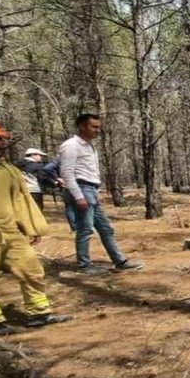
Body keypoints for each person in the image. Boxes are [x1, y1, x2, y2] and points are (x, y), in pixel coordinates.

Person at [0, 119, 72, 335]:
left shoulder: (8, 170)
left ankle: (39, 313)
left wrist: (30, 226)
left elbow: (21, 200)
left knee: (32, 270)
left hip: (11, 234)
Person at [58, 113, 143, 275]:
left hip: (90, 190)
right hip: (81, 189)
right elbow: (66, 173)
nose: (98, 130)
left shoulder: (89, 146)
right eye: (94, 127)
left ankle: (120, 261)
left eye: (99, 127)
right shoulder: (71, 145)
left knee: (106, 229)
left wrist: (95, 192)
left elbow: (90, 171)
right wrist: (79, 196)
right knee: (85, 229)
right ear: (82, 126)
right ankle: (84, 266)